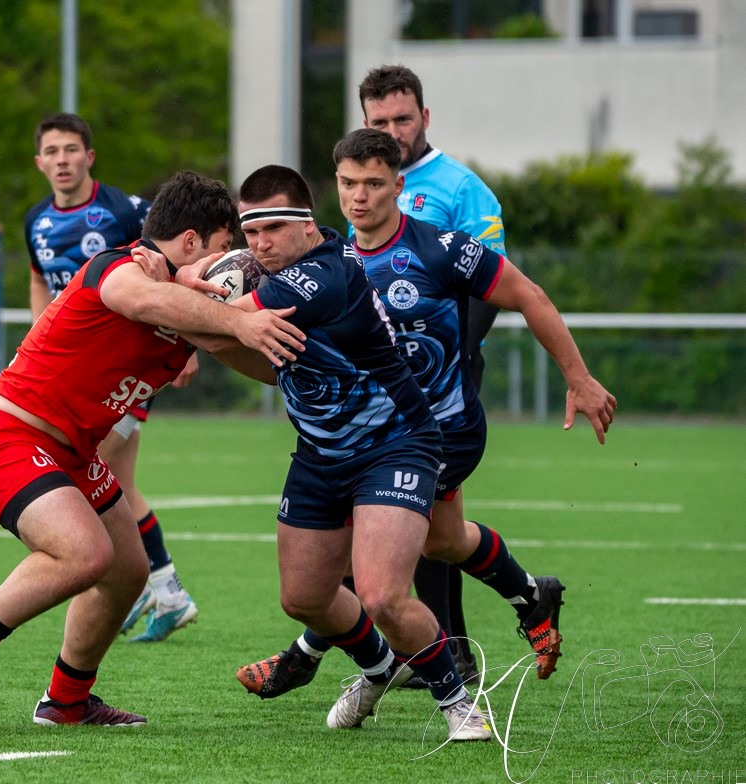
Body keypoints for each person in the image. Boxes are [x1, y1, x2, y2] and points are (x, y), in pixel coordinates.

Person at [237, 130, 618, 708]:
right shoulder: (320, 260)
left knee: (370, 566)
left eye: (372, 183)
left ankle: (315, 658)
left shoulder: (439, 249)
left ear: (399, 185)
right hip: (369, 433)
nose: (358, 197)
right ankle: (530, 595)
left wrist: (579, 377)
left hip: (438, 430)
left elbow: (529, 295)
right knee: (441, 542)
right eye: (347, 184)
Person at [0, 170, 306, 728]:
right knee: (85, 555)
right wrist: (234, 318)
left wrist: (269, 337)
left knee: (128, 571)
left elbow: (254, 360)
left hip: (74, 454)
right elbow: (145, 299)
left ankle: (67, 702)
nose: (235, 264)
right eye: (226, 249)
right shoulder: (121, 268)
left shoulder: (185, 300)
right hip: (7, 436)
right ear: (191, 242)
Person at [212, 163, 492, 741]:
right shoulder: (278, 274)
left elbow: (223, 321)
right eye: (250, 232)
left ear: (308, 224)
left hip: (397, 443)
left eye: (273, 228)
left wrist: (176, 295)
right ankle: (379, 669)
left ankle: (457, 703)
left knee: (384, 595)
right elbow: (261, 361)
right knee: (305, 598)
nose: (260, 244)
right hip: (320, 455)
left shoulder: (323, 275)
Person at [24, 112, 198, 643]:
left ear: (89, 157)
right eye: (52, 151)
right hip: (69, 371)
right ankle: (156, 584)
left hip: (120, 366)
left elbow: (175, 267)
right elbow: (38, 280)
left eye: (71, 149)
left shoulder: (124, 210)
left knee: (108, 481)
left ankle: (153, 585)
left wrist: (187, 344)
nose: (62, 160)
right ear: (40, 162)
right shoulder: (36, 220)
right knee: (115, 484)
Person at [369, 63, 510, 679]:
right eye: (380, 121)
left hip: (443, 376)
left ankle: (443, 648)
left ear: (425, 118)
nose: (394, 130)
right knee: (419, 516)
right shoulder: (367, 183)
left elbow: (493, 285)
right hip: (385, 380)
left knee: (420, 510)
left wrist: (459, 355)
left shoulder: (460, 187)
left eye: (403, 118)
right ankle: (441, 645)